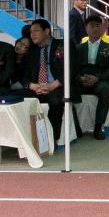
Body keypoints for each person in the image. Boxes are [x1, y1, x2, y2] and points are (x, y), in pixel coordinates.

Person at [22, 18, 70, 148]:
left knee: (55, 101)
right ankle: (26, 139)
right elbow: (24, 76)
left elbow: (71, 69)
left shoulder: (63, 45)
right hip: (37, 87)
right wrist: (32, 85)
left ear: (47, 31)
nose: (32, 35)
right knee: (19, 99)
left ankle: (51, 138)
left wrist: (52, 85)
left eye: (36, 31)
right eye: (31, 32)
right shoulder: (32, 52)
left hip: (57, 85)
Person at [77, 15, 109, 140]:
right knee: (67, 91)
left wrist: (97, 78)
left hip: (100, 79)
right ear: (86, 28)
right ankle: (76, 128)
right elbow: (73, 68)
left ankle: (98, 127)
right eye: (91, 26)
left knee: (105, 90)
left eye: (97, 26)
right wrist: (81, 78)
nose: (95, 29)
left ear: (102, 28)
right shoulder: (79, 48)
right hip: (83, 79)